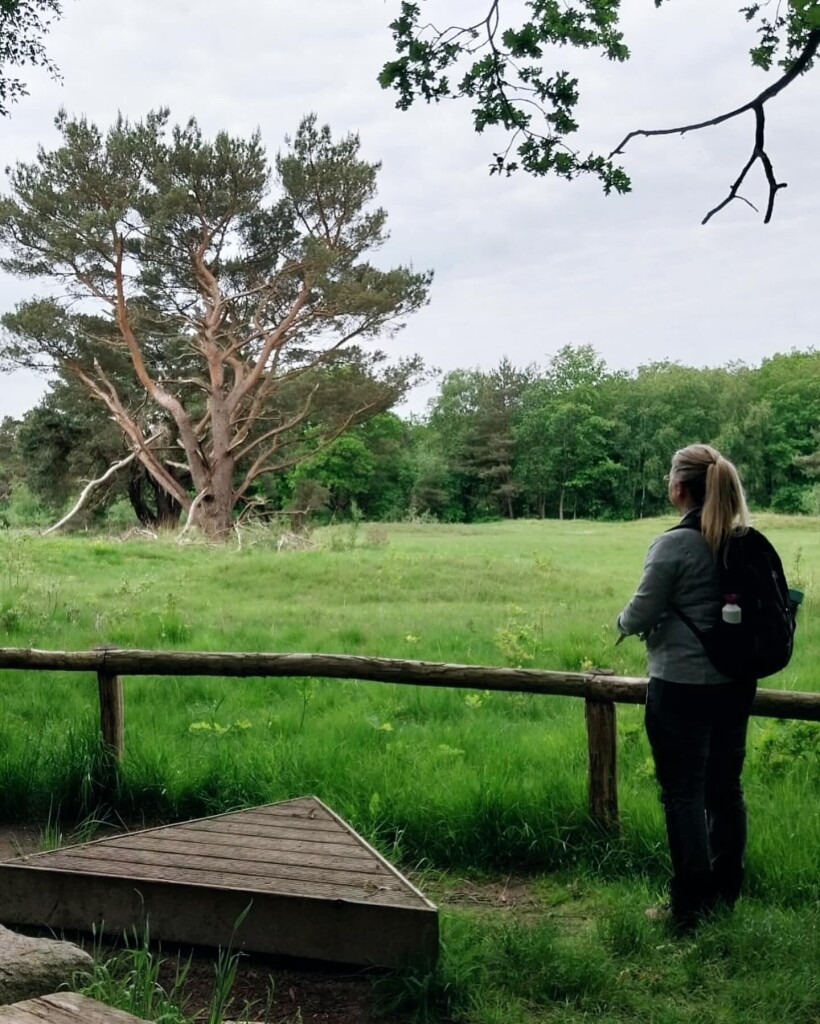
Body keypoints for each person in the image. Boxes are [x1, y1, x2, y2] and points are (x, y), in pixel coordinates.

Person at [616, 443, 756, 933]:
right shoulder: (742, 540)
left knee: (683, 794)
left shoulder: (673, 544)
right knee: (725, 790)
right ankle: (724, 897)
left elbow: (640, 612)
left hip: (680, 686)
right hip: (735, 686)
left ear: (679, 488)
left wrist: (621, 623)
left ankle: (689, 908)